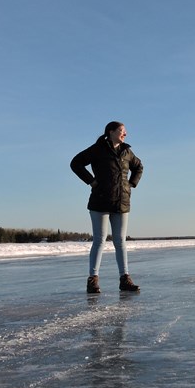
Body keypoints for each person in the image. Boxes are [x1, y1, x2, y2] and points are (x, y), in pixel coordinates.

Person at [71, 121, 144, 293]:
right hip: (100, 200)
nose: (124, 134)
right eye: (121, 131)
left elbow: (139, 166)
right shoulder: (98, 149)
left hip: (121, 201)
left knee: (120, 241)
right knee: (99, 240)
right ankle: (93, 280)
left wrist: (131, 184)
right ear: (110, 132)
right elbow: (76, 163)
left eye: (125, 131)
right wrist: (92, 181)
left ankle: (125, 279)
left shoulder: (126, 151)